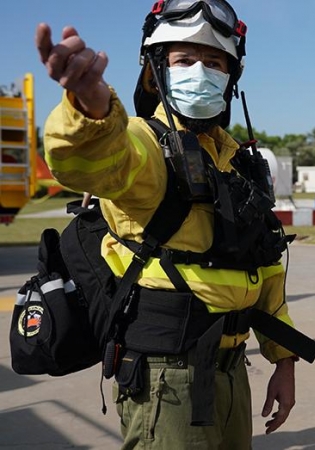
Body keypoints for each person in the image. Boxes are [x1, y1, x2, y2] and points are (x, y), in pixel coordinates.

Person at [35, 1, 300, 448]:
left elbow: (266, 266)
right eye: (184, 60)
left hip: (233, 371)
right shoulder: (144, 145)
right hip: (167, 378)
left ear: (231, 78)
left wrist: (285, 361)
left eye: (214, 62)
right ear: (154, 72)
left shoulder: (237, 161)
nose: (201, 71)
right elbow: (90, 162)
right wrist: (91, 110)